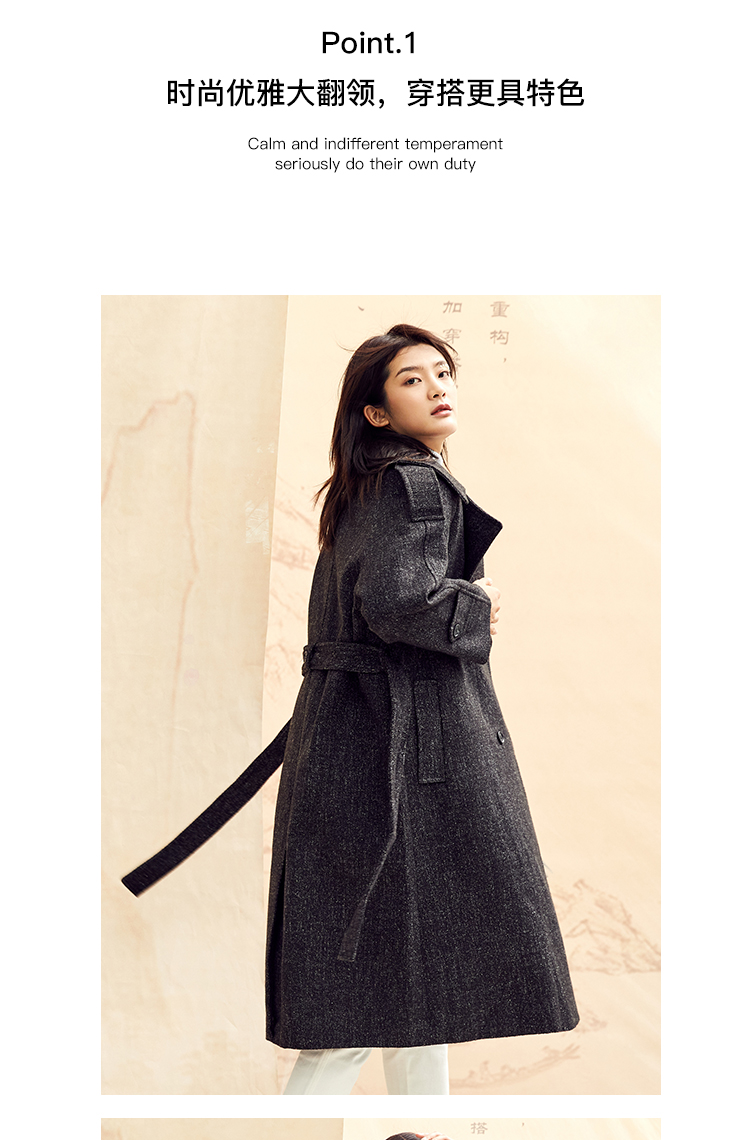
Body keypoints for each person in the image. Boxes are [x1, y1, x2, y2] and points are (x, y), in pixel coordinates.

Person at [123, 324, 579, 1096]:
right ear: (376, 411)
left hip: (354, 738)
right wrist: (479, 605)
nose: (436, 387)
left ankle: (420, 1128)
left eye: (442, 372)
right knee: (368, 1001)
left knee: (413, 992)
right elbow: (398, 602)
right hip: (403, 757)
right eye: (411, 380)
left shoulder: (367, 486)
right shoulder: (413, 484)